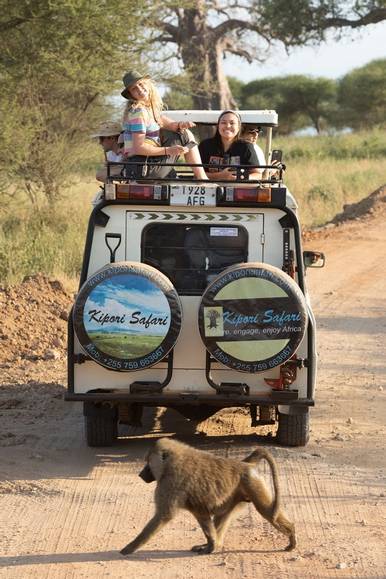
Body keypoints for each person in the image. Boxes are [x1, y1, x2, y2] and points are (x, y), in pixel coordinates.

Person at [121, 70, 208, 180]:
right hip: (143, 168)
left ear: (147, 83)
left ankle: (199, 177)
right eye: (134, 88)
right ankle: (203, 179)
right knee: (184, 136)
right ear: (131, 95)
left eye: (141, 84)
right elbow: (138, 148)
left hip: (143, 167)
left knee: (183, 132)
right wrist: (169, 150)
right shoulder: (138, 112)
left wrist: (182, 124)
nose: (139, 89)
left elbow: (172, 125)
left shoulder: (150, 111)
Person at [198, 110, 261, 181]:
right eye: (223, 123)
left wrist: (242, 177)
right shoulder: (205, 145)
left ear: (239, 127)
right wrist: (221, 176)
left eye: (232, 123)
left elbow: (257, 174)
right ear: (218, 126)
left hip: (238, 188)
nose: (228, 126)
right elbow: (197, 173)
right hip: (209, 187)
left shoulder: (247, 146)